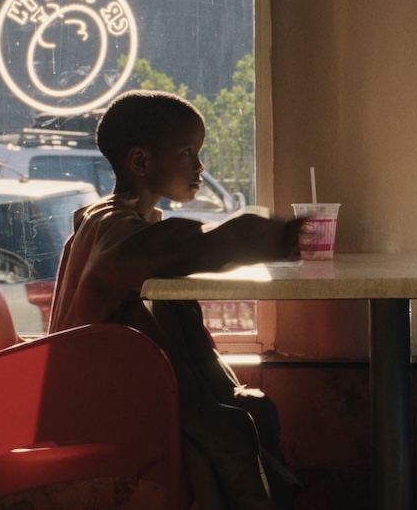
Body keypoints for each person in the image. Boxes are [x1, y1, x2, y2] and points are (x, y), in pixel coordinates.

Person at [49, 89, 303, 510]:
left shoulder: (120, 219)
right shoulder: (114, 226)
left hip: (116, 390)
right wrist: (250, 240)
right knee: (236, 424)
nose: (200, 166)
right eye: (188, 152)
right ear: (140, 162)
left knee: (253, 414)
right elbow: (151, 253)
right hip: (105, 401)